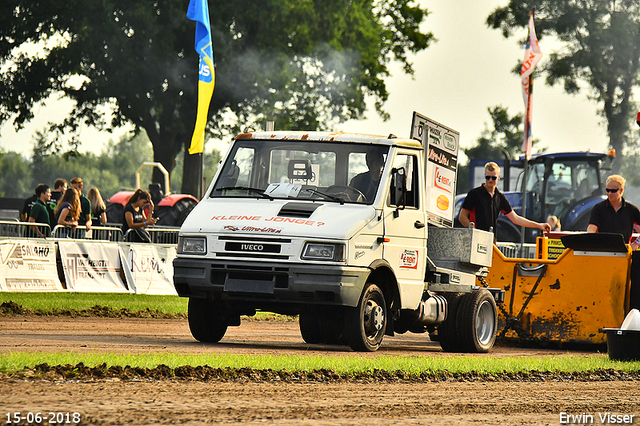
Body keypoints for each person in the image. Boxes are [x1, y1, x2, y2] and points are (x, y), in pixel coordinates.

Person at [587, 175, 640, 309]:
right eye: (607, 190)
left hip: (624, 256)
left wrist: (636, 244)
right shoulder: (598, 209)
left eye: (613, 191)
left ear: (621, 191)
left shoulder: (632, 210)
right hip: (603, 255)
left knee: (622, 289)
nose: (609, 194)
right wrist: (588, 243)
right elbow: (591, 229)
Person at [459, 162, 551, 237]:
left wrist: (539, 225)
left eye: (493, 178)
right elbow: (462, 217)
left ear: (498, 177)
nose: (490, 180)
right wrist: (474, 231)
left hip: (491, 240)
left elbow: (515, 219)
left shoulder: (500, 197)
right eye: (487, 177)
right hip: (475, 239)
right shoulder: (474, 194)